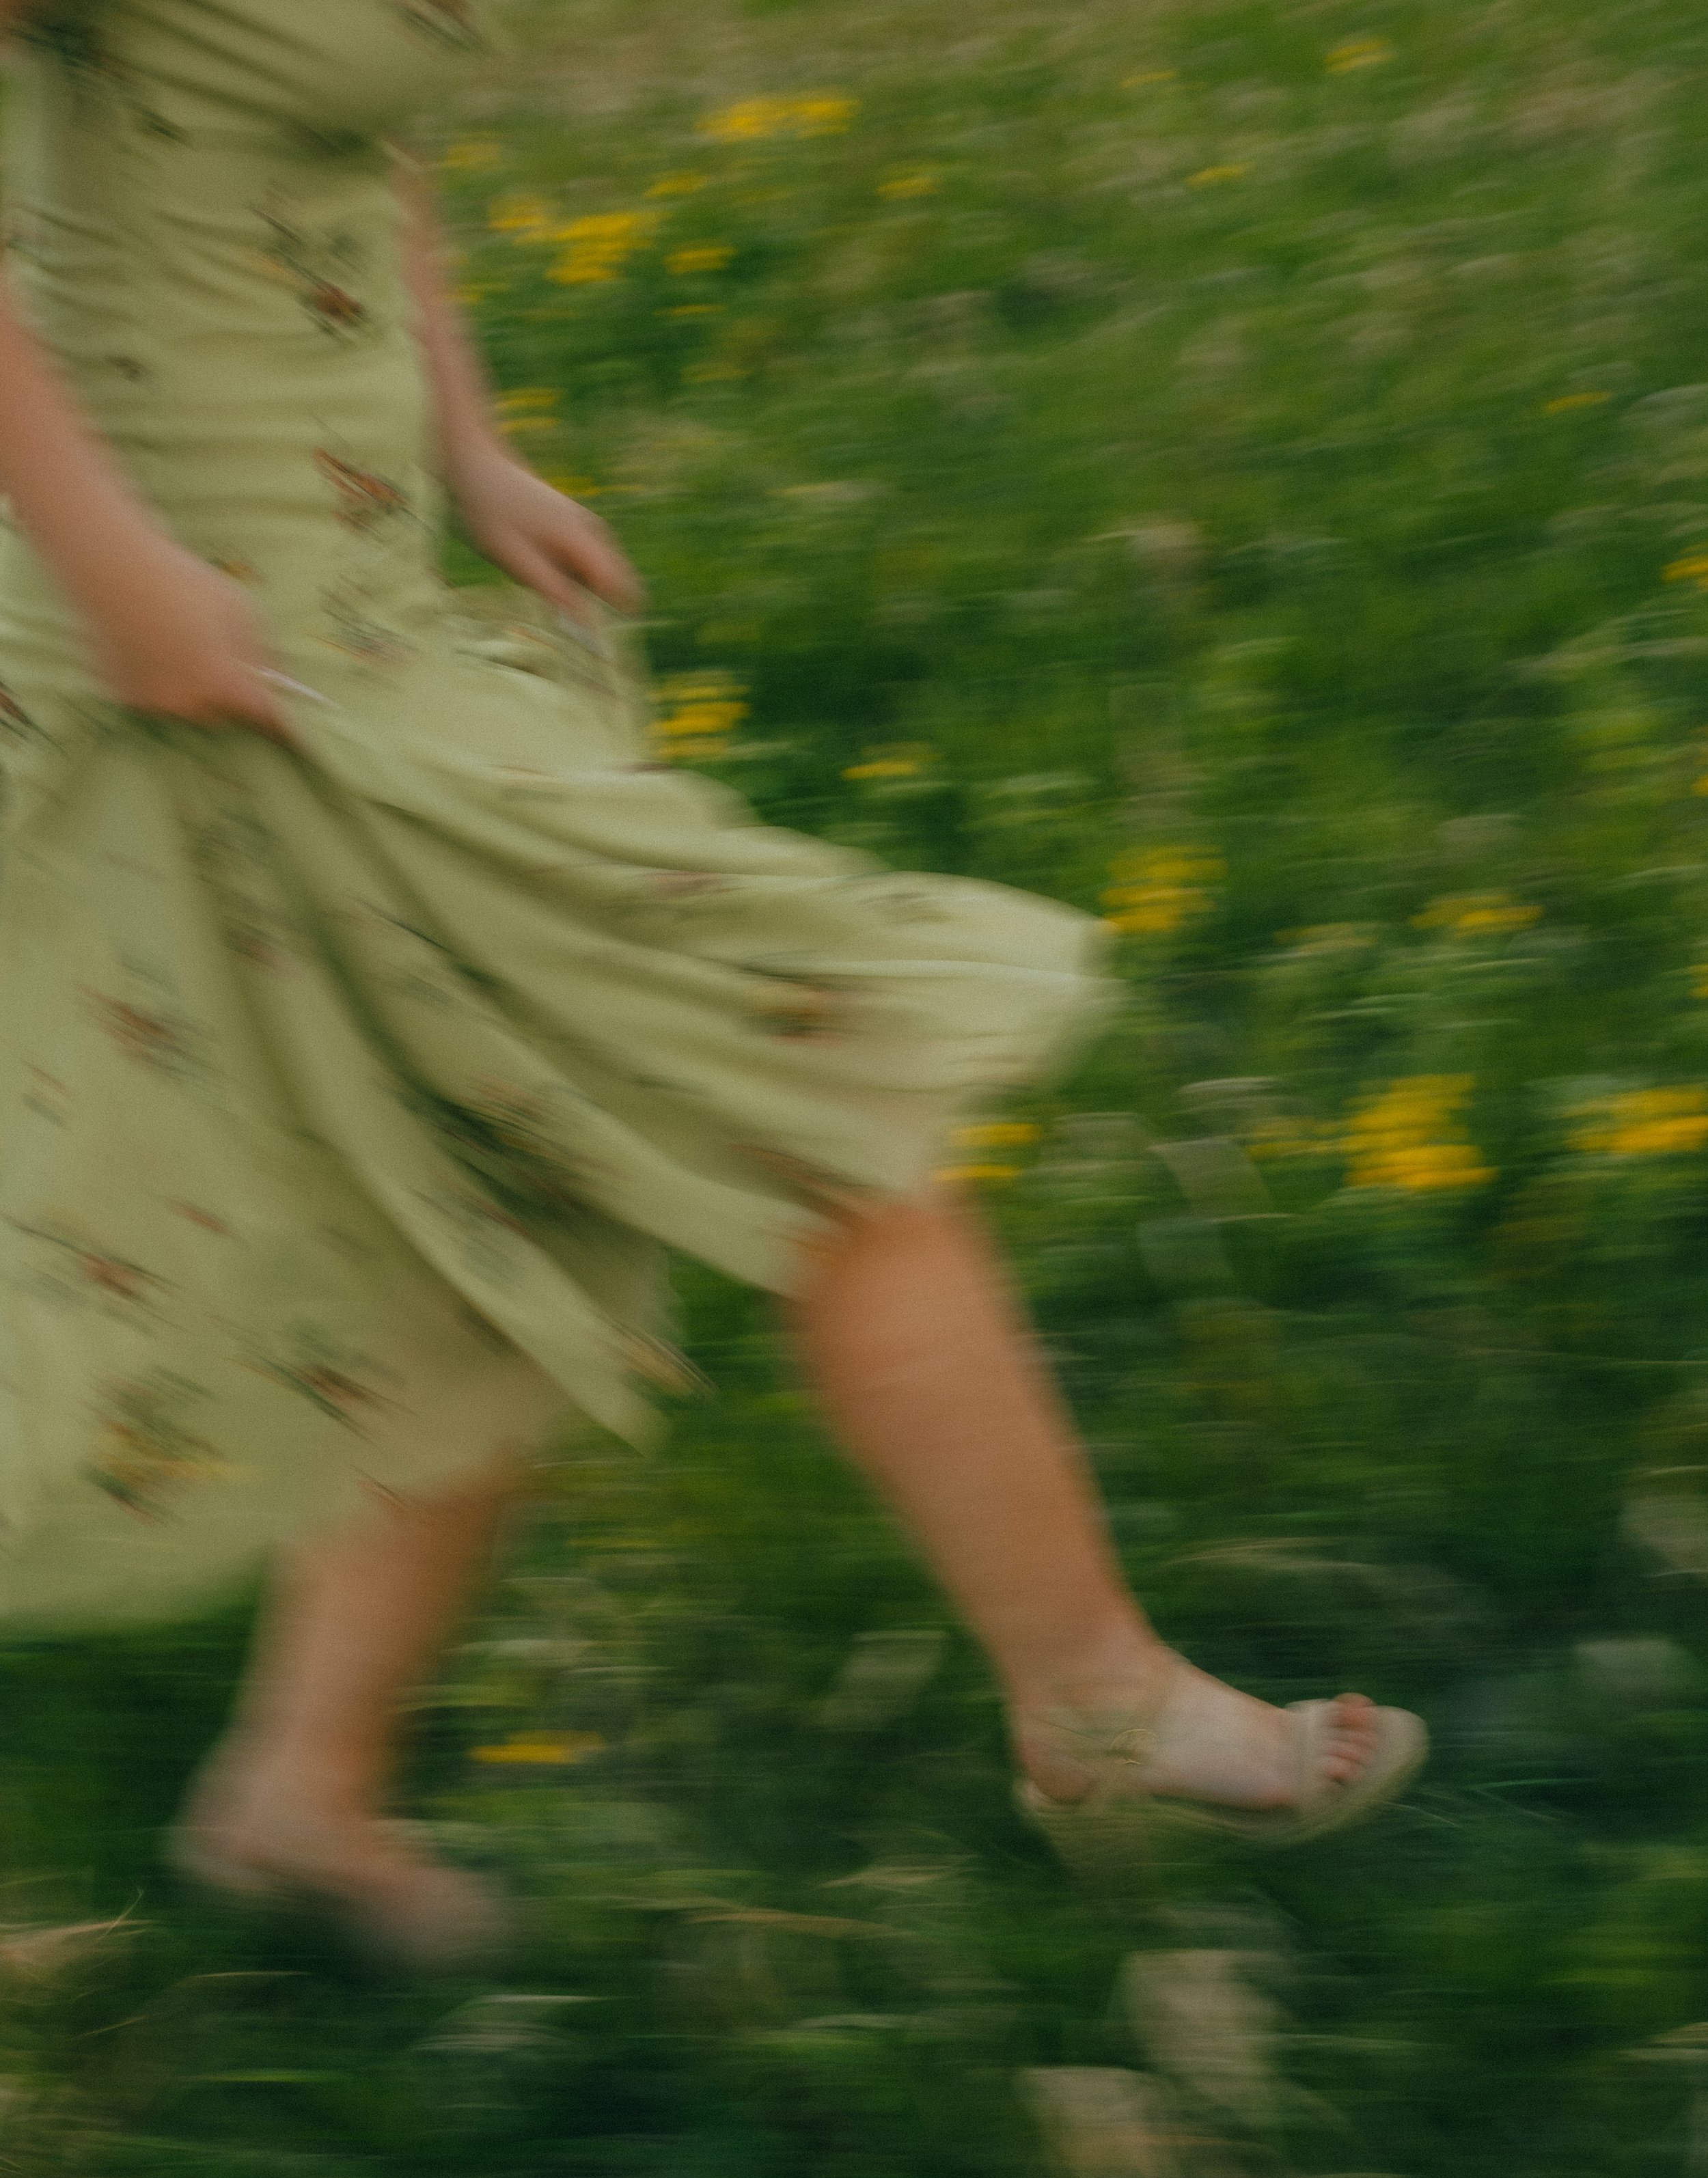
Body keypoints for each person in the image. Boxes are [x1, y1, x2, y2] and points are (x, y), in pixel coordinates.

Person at [0, 0, 1425, 1964]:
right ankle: (1090, 1701)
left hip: (357, 626)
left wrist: (469, 441)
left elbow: (368, 149)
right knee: (807, 1074)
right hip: (212, 670)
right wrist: (120, 574)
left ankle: (294, 1798)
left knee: (463, 1237)